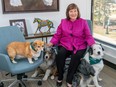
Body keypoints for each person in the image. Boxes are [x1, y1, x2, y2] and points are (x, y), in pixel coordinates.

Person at [47, 3, 95, 87]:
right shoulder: (63, 22)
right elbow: (57, 35)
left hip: (79, 45)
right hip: (66, 44)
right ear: (68, 13)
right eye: (71, 11)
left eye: (75, 11)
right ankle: (60, 76)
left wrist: (93, 45)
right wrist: (51, 42)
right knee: (60, 55)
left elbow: (88, 35)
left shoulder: (83, 22)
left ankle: (69, 79)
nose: (73, 13)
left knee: (75, 56)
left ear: (77, 12)